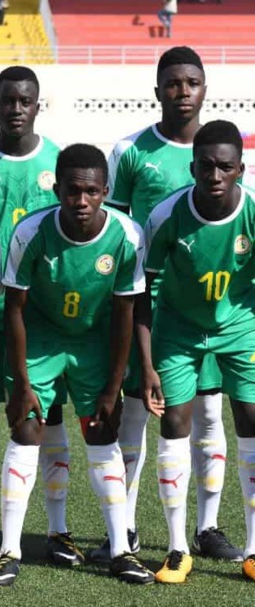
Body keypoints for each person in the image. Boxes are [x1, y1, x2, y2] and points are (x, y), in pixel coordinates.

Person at [0, 144, 154, 587]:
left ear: (105, 191)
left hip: (94, 341)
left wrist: (112, 388)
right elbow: (15, 309)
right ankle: (9, 551)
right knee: (27, 427)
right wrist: (21, 383)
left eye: (92, 192)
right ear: (57, 189)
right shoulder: (29, 232)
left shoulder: (127, 235)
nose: (81, 202)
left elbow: (125, 313)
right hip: (39, 337)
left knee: (101, 431)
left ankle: (120, 551)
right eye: (73, 191)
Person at [99, 46, 241, 563]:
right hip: (148, 308)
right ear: (157, 89)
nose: (183, 92)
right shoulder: (130, 151)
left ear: (205, 89)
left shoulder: (223, 150)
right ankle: (128, 529)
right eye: (173, 83)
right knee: (136, 414)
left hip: (210, 308)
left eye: (192, 83)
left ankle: (206, 527)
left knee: (207, 415)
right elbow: (113, 231)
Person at [0, 66, 77, 566]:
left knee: (47, 419)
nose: (15, 108)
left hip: (44, 319)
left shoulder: (58, 163)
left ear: (37, 105)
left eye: (24, 100)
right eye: (7, 100)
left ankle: (57, 530)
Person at [137, 120, 255, 583]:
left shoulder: (251, 212)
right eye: (206, 166)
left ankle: (252, 547)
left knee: (250, 420)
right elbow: (139, 291)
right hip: (178, 331)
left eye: (225, 166)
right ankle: (177, 548)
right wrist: (146, 364)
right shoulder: (166, 215)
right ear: (192, 167)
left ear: (240, 170)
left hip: (240, 328)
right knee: (175, 423)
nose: (215, 175)